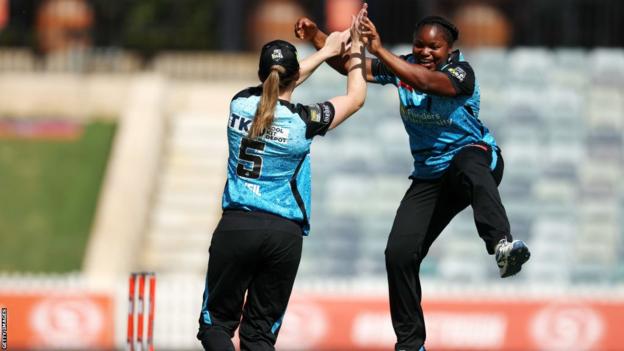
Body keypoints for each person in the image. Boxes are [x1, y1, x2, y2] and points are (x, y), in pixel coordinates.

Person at [295, 12, 530, 351]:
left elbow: (424, 82)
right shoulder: (402, 65)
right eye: (419, 44)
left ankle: (502, 245)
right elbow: (352, 66)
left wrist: (380, 50)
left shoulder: (461, 72)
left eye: (434, 46)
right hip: (430, 176)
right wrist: (316, 35)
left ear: (450, 49)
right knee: (399, 254)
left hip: (475, 159)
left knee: (469, 162)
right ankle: (410, 343)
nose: (425, 51)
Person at [196, 11, 367, 351]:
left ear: (261, 75)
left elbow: (278, 85)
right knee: (259, 335)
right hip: (283, 236)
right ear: (293, 77)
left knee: (216, 325)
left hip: (238, 226)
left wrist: (321, 54)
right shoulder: (304, 122)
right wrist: (353, 47)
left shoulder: (240, 104)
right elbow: (356, 97)